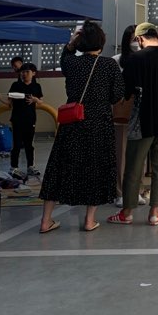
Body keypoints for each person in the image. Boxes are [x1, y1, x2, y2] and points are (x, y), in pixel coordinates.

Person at [39, 21, 124, 233]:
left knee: (59, 168)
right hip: (99, 124)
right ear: (101, 42)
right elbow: (117, 95)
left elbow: (65, 56)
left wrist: (71, 42)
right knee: (95, 168)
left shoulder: (71, 63)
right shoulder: (109, 65)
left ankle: (46, 221)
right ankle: (89, 220)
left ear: (80, 42)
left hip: (72, 123)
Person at [108, 22, 158, 227]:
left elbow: (125, 92)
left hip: (141, 122)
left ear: (139, 39)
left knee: (133, 167)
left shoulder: (136, 59)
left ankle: (127, 213)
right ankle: (154, 213)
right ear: (156, 35)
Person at [111, 24, 148, 208]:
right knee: (121, 154)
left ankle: (138, 191)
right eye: (133, 39)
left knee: (140, 154)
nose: (136, 42)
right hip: (123, 113)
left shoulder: (147, 58)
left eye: (139, 38)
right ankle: (119, 193)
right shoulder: (117, 61)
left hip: (143, 112)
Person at [5, 63, 43, 178]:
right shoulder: (15, 85)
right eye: (22, 72)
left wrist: (35, 99)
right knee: (16, 144)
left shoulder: (37, 86)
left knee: (29, 144)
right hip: (17, 119)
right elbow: (8, 103)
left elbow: (41, 102)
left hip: (30, 119)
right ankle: (14, 167)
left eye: (27, 71)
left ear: (33, 73)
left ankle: (31, 166)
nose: (24, 74)